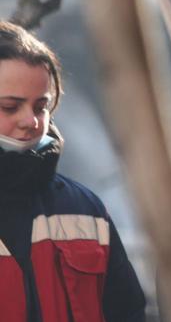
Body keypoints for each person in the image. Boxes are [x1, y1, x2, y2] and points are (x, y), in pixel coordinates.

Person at [0, 20, 146, 321]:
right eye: (10, 107)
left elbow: (127, 312)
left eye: (40, 106)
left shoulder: (84, 210)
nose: (31, 121)